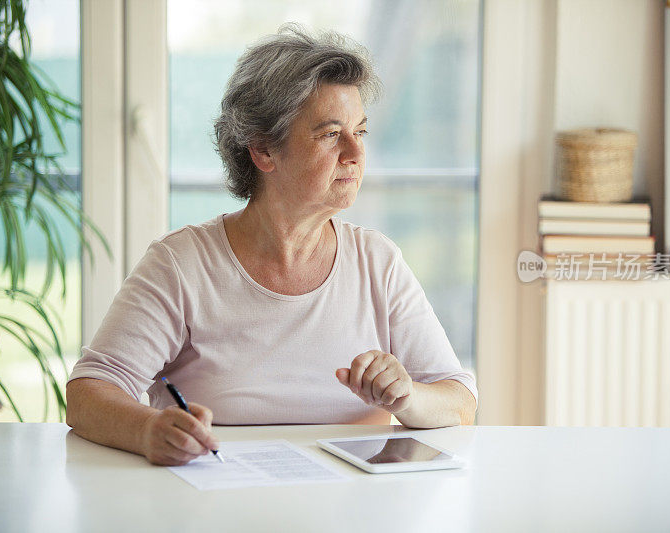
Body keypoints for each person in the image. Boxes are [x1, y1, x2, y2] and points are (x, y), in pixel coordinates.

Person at [66, 24, 478, 466]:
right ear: (263, 151)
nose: (355, 154)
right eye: (329, 134)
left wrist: (407, 396)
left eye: (360, 132)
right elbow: (88, 392)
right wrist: (148, 430)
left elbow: (459, 401)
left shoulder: (378, 262)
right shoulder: (181, 264)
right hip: (217, 499)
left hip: (353, 508)